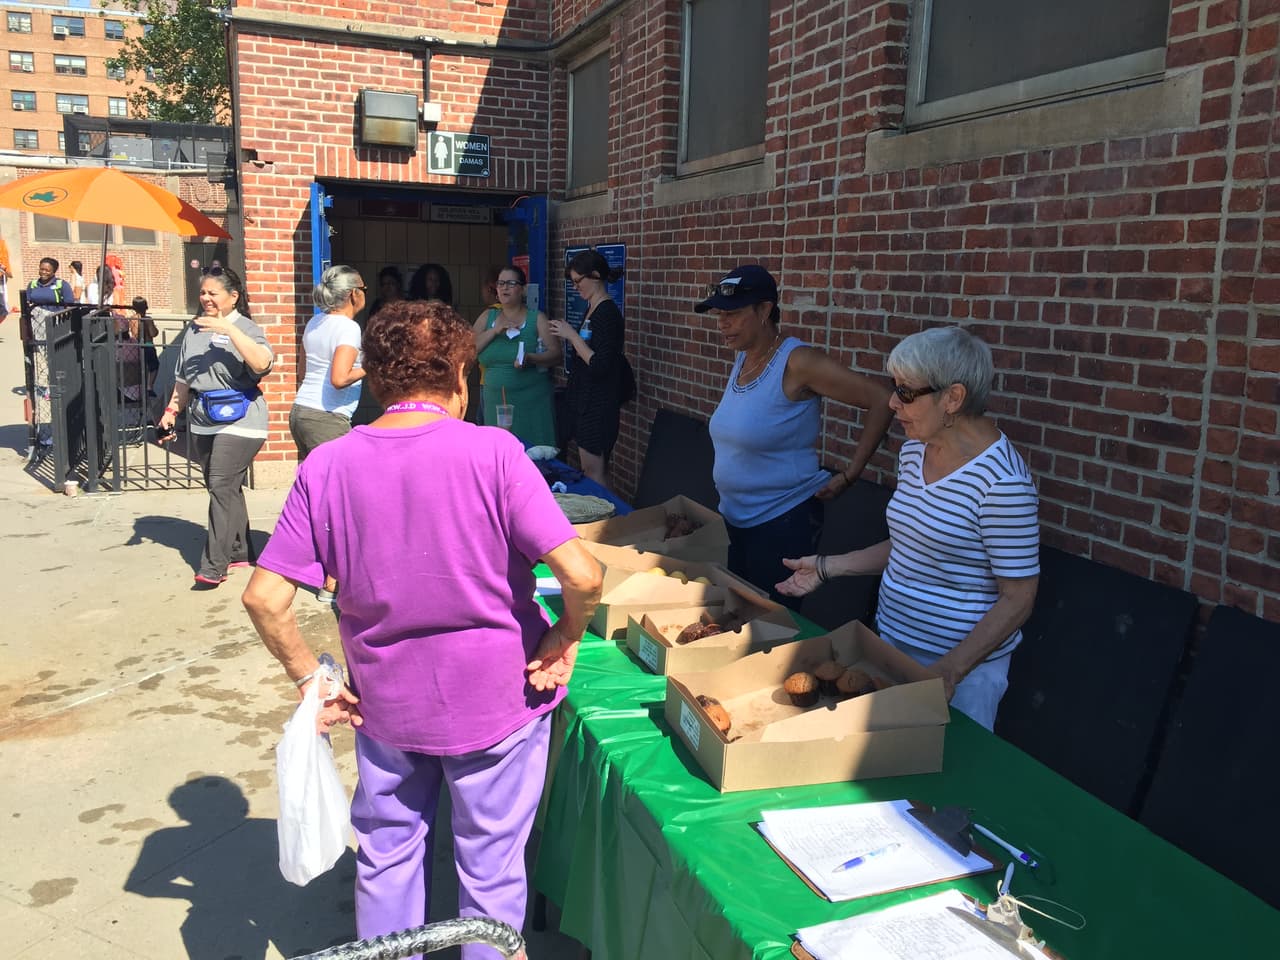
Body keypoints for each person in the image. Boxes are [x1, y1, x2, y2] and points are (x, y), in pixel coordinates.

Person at [241, 298, 603, 957]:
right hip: (499, 701)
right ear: (462, 376)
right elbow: (581, 575)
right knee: (491, 869)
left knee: (388, 855)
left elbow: (265, 598)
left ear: (376, 382)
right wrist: (565, 634)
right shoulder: (496, 453)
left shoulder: (327, 466)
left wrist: (307, 677)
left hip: (385, 706)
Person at [776, 326, 1040, 730]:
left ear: (953, 398)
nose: (892, 402)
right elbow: (909, 544)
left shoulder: (1002, 484)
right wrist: (828, 567)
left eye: (907, 392)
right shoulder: (915, 449)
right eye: (894, 387)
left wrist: (951, 671)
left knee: (940, 788)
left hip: (958, 676)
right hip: (890, 647)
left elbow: (1019, 597)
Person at [695, 264, 894, 607]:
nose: (722, 323)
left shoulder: (798, 362)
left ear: (765, 310)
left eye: (734, 313)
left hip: (780, 523)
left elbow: (881, 401)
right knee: (733, 620)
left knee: (766, 629)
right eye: (718, 314)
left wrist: (850, 474)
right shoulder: (743, 358)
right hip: (734, 519)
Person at [158, 267, 273, 589]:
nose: (206, 298)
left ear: (233, 297)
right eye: (203, 292)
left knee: (221, 484)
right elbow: (183, 378)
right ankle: (241, 549)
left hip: (243, 417)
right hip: (204, 416)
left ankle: (213, 565)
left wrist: (228, 329)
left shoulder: (248, 328)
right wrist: (171, 410)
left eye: (213, 293)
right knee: (223, 487)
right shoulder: (194, 331)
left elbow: (262, 364)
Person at [289, 265, 367, 603]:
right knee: (342, 503)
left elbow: (306, 370)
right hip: (327, 418)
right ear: (353, 294)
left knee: (320, 499)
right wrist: (373, 364)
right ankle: (332, 581)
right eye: (363, 287)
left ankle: (312, 565)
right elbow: (339, 378)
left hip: (302, 411)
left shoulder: (315, 322)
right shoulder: (347, 327)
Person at [547, 249, 630, 488]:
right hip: (585, 402)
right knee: (592, 469)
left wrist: (572, 336)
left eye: (578, 281)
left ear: (594, 275)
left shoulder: (606, 313)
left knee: (594, 472)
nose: (575, 287)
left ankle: (604, 523)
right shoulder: (593, 309)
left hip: (598, 405)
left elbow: (600, 364)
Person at [472, 264, 560, 446]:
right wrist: (495, 331)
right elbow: (468, 349)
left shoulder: (537, 318)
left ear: (523, 289)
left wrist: (531, 358)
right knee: (498, 456)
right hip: (495, 402)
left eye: (511, 283)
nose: (504, 287)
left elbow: (556, 355)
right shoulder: (487, 317)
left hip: (531, 403)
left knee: (533, 457)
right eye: (501, 283)